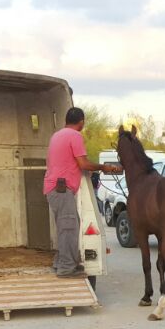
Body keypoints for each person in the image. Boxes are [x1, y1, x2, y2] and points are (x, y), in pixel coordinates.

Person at [44, 107, 121, 278]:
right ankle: (66, 268)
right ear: (81, 122)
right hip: (61, 189)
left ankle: (62, 262)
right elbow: (84, 164)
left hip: (55, 189)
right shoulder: (75, 136)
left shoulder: (57, 135)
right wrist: (104, 167)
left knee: (67, 227)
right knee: (69, 228)